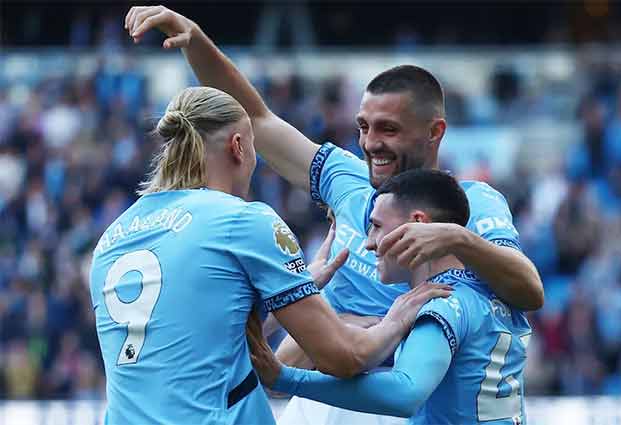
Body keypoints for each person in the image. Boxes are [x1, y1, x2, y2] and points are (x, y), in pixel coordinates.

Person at [124, 6, 543, 363]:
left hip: (398, 399)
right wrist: (196, 42)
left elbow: (529, 290)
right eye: (364, 126)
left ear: (435, 132)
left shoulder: (472, 203)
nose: (370, 142)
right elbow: (256, 119)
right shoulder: (345, 177)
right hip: (322, 396)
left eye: (388, 129)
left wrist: (457, 239)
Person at [88, 87, 451, 425]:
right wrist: (397, 318)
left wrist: (294, 289)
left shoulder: (113, 237)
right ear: (238, 146)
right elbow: (343, 356)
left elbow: (199, 341)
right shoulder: (243, 220)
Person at [248, 169, 532, 425]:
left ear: (418, 224)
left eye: (377, 226)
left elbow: (405, 392)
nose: (369, 242)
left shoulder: (441, 303)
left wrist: (287, 378)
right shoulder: (495, 289)